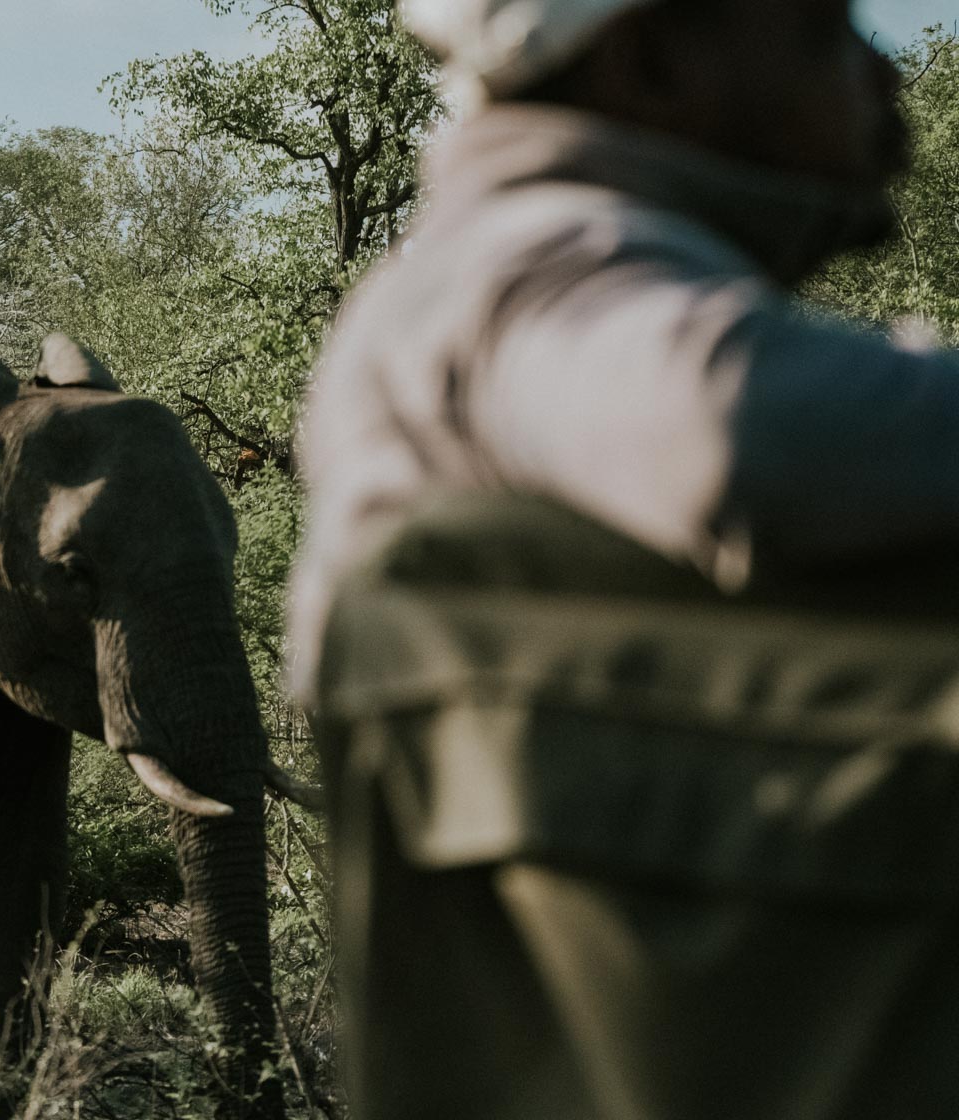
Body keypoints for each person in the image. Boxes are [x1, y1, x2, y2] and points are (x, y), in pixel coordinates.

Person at [290, 1, 959, 1117]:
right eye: (825, 35)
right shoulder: (528, 263)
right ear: (650, 58)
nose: (885, 78)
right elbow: (726, 428)